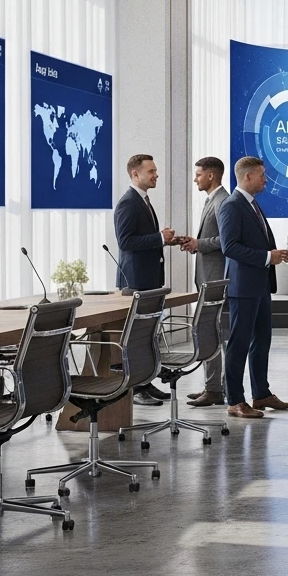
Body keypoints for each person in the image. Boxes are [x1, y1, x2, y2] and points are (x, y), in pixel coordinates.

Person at [218, 156, 288, 419]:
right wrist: (266, 257)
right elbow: (229, 247)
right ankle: (235, 400)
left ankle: (261, 393)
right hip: (243, 287)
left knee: (262, 341)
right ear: (248, 176)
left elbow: (256, 241)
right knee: (239, 343)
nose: (266, 179)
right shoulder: (232, 205)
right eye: (262, 175)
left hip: (260, 284)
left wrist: (276, 255)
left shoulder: (251, 204)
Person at [114, 153, 178, 406]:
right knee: (137, 338)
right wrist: (159, 238)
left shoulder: (143, 201)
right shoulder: (128, 203)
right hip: (136, 282)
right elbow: (125, 242)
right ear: (135, 174)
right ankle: (136, 388)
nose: (156, 175)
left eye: (155, 171)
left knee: (146, 337)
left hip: (149, 281)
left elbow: (142, 239)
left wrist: (165, 240)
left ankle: (145, 382)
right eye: (151, 171)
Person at [182, 156, 229, 408]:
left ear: (211, 175)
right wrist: (195, 242)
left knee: (212, 333)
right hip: (208, 278)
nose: (195, 179)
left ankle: (215, 390)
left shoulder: (222, 202)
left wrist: (199, 244)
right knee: (209, 333)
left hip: (215, 280)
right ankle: (213, 387)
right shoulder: (212, 200)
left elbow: (227, 240)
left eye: (198, 174)